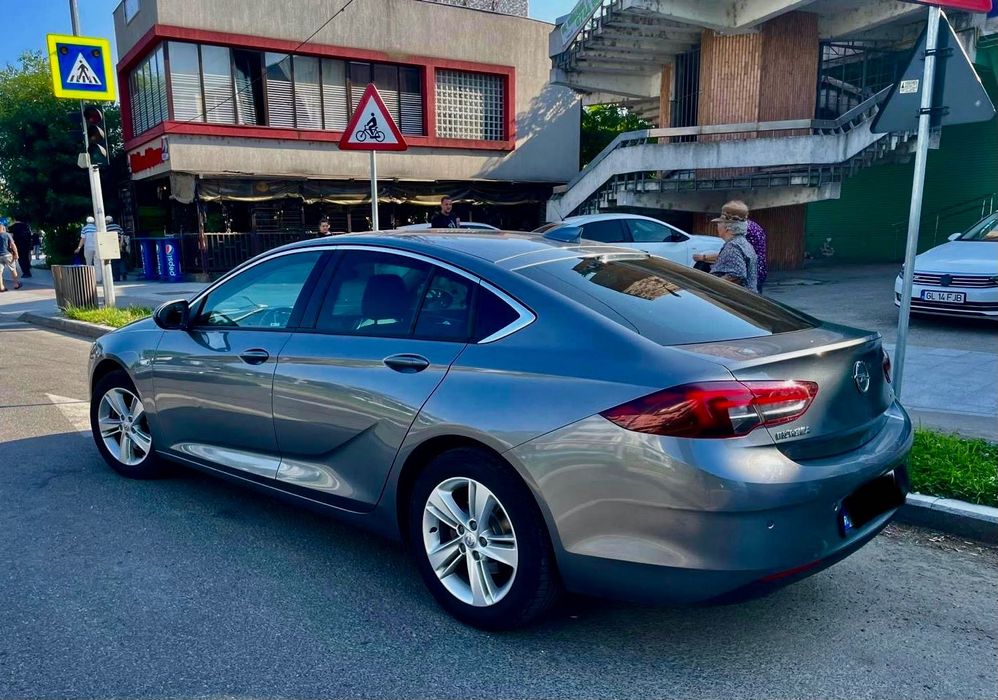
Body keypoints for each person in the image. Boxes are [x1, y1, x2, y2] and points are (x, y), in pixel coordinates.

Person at [706, 211, 758, 290]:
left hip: (737, 296)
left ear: (727, 228)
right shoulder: (743, 243)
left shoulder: (732, 246)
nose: (717, 226)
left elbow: (736, 275)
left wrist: (710, 287)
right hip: (749, 293)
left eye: (719, 223)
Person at [74, 216, 101, 283]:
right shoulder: (97, 228)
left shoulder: (84, 229)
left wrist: (78, 248)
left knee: (89, 264)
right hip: (97, 248)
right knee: (97, 264)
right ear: (93, 222)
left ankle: (90, 279)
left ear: (87, 222)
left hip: (88, 248)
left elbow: (83, 239)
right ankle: (98, 279)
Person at [0, 224, 22, 291]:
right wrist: (16, 254)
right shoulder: (7, 235)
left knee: (0, 272)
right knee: (13, 269)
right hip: (7, 255)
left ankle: (1, 287)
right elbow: (12, 245)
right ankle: (16, 284)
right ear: (3, 229)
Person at [105, 216, 127, 282]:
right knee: (121, 260)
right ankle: (124, 273)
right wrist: (120, 245)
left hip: (112, 246)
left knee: (114, 262)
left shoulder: (106, 227)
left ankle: (117, 277)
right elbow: (122, 235)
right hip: (120, 244)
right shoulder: (118, 226)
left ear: (107, 221)